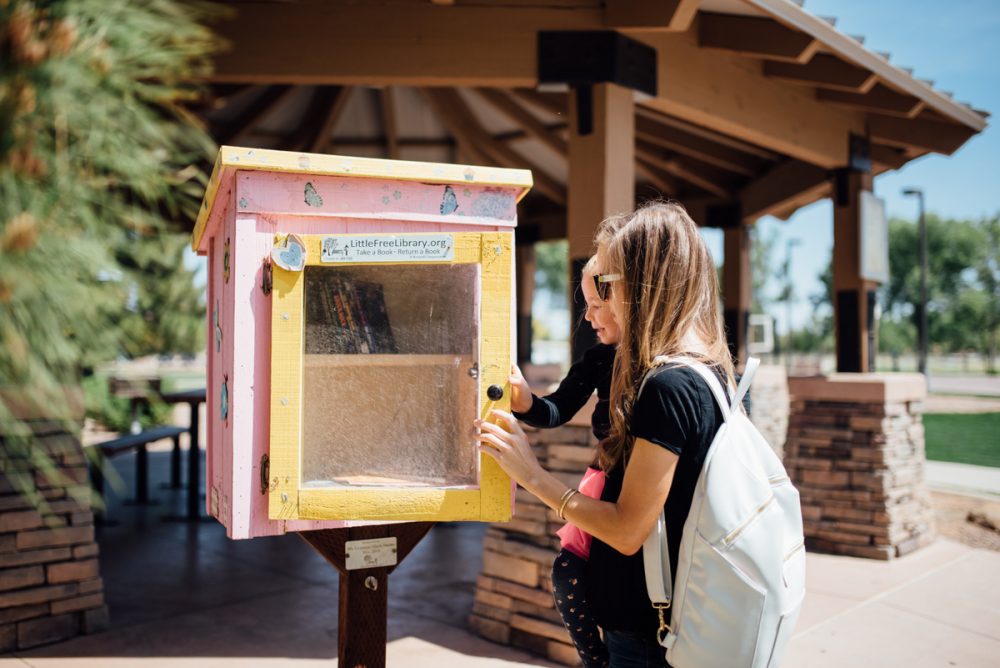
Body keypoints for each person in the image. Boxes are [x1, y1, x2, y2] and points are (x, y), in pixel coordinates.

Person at [476, 202, 739, 667]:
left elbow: (625, 530)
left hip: (648, 640)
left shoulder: (667, 386)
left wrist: (530, 474)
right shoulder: (709, 371)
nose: (592, 313)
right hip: (667, 626)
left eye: (607, 292)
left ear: (642, 288)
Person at [509, 253, 620, 668]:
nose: (589, 317)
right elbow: (557, 409)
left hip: (639, 484)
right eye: (585, 305)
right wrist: (525, 402)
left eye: (596, 305)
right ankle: (597, 660)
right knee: (568, 571)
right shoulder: (597, 358)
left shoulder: (664, 372)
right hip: (603, 477)